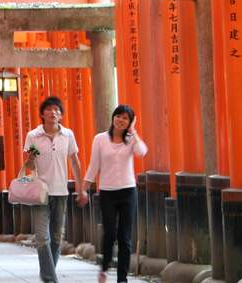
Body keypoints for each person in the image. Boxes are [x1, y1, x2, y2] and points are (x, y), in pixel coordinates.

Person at [23, 96, 88, 283]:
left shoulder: (68, 135)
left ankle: (46, 276)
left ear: (61, 115)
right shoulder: (33, 136)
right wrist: (30, 159)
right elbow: (29, 164)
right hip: (40, 192)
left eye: (57, 110)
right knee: (42, 237)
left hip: (61, 192)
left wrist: (80, 187)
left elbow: (75, 162)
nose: (54, 113)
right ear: (42, 114)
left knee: (57, 238)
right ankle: (51, 279)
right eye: (49, 109)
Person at [81, 105, 148, 283]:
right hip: (108, 193)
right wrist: (83, 188)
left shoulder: (131, 140)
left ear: (129, 122)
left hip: (128, 191)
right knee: (110, 232)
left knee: (125, 237)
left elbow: (142, 152)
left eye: (126, 118)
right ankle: (104, 269)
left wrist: (133, 131)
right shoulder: (100, 139)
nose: (121, 120)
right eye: (118, 116)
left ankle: (122, 278)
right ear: (113, 118)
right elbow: (93, 165)